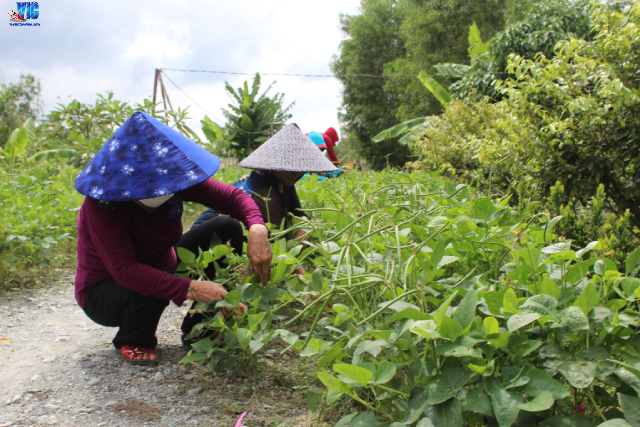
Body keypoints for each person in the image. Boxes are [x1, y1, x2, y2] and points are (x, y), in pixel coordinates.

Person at [73, 112, 272, 365]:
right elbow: (126, 270)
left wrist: (257, 228)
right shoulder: (101, 204)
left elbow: (234, 198)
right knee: (145, 284)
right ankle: (133, 338)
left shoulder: (174, 179)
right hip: (106, 288)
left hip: (160, 263)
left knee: (227, 227)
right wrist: (192, 288)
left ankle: (203, 326)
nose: (163, 194)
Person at [191, 124, 338, 275]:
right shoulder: (264, 191)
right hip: (204, 246)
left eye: (300, 167)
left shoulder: (282, 180)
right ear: (276, 163)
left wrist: (305, 225)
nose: (296, 173)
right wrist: (308, 284)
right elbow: (277, 247)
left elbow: (299, 212)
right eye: (291, 167)